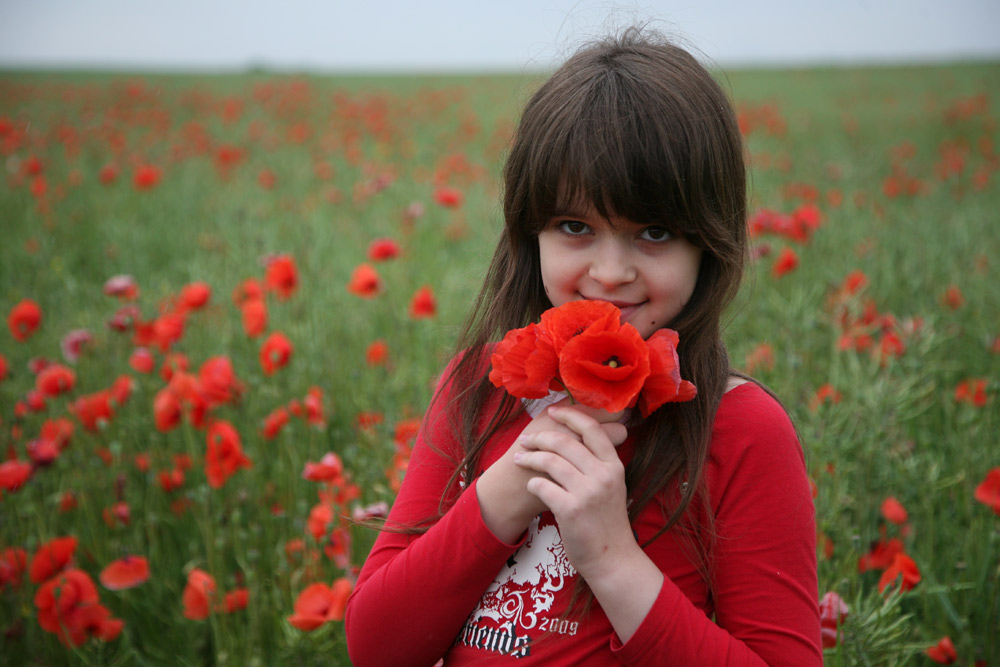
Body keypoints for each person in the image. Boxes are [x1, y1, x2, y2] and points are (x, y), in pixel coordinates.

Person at [345, 26, 822, 665]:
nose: (610, 272)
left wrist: (611, 557)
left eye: (653, 232)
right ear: (529, 233)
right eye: (575, 227)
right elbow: (377, 646)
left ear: (708, 245)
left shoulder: (741, 430)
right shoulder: (475, 387)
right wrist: (504, 490)